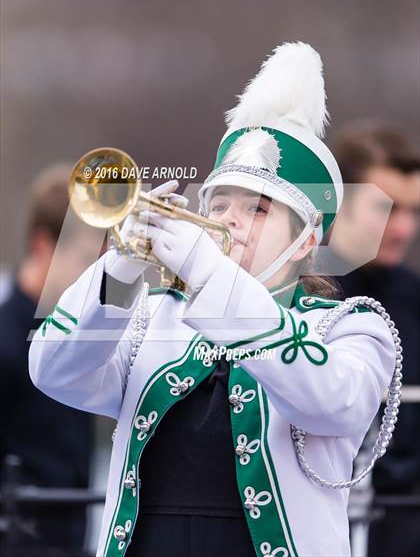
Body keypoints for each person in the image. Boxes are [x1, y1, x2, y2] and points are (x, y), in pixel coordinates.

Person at [29, 42, 397, 557]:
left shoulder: (350, 327)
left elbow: (331, 402)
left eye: (259, 209)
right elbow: (55, 369)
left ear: (308, 239)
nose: (228, 220)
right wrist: (123, 264)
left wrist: (208, 275)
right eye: (219, 202)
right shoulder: (153, 318)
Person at [329, 122, 420, 557]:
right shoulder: (292, 293)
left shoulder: (415, 297)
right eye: (386, 208)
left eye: (413, 212)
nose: (402, 228)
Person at [0, 165, 98, 555]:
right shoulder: (5, 343)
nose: (96, 275)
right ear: (43, 246)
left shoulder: (80, 338)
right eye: (87, 257)